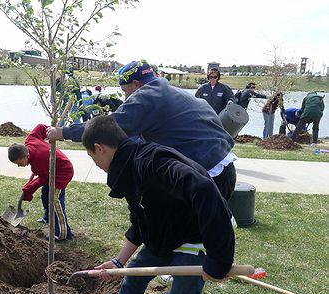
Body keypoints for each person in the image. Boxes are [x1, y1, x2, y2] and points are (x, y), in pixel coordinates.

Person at [78, 116, 235, 294]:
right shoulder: (129, 168)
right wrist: (119, 260)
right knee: (135, 276)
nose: (97, 165)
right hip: (163, 235)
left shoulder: (151, 161)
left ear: (100, 147)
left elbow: (203, 187)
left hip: (190, 236)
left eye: (92, 158)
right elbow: (141, 219)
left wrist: (220, 260)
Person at [47, 60, 237, 201]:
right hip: (222, 166)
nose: (126, 96)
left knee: (186, 238)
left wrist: (63, 132)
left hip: (211, 174)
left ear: (137, 85)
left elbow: (107, 127)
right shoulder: (167, 92)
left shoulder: (148, 96)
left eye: (125, 91)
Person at [8, 124, 74, 241]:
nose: (19, 165)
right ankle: (48, 217)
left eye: (19, 163)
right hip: (50, 168)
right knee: (45, 194)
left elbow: (42, 179)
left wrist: (29, 189)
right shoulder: (30, 140)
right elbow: (41, 127)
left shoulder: (38, 161)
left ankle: (62, 234)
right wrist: (49, 131)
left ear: (25, 156)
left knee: (54, 200)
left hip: (62, 171)